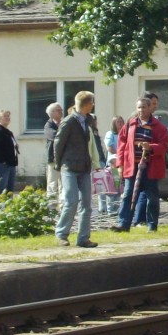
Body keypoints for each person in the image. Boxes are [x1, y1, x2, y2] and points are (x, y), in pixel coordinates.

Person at [115, 96, 168, 232]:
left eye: (144, 107)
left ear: (150, 108)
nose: (141, 110)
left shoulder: (159, 127)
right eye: (139, 107)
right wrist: (120, 164)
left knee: (152, 197)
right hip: (132, 166)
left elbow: (164, 145)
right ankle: (123, 224)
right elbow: (121, 144)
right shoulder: (130, 124)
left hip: (150, 168)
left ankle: (152, 225)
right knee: (128, 195)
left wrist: (150, 147)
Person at [53, 91, 100, 247]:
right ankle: (61, 234)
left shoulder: (87, 120)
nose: (93, 105)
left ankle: (83, 238)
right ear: (87, 104)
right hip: (70, 167)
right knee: (71, 201)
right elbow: (58, 144)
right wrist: (59, 165)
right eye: (92, 102)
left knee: (87, 204)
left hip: (84, 167)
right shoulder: (68, 122)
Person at [0, 109, 20, 197]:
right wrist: (2, 162)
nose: (7, 118)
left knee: (9, 190)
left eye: (8, 116)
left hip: (11, 164)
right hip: (2, 166)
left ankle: (7, 208)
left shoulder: (8, 132)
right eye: (5, 116)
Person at [43, 102, 64, 202]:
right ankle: (51, 207)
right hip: (53, 159)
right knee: (52, 183)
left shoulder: (64, 123)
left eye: (61, 110)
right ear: (52, 113)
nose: (61, 112)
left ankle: (62, 205)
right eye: (58, 110)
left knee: (63, 183)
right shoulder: (48, 125)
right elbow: (54, 136)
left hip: (64, 158)